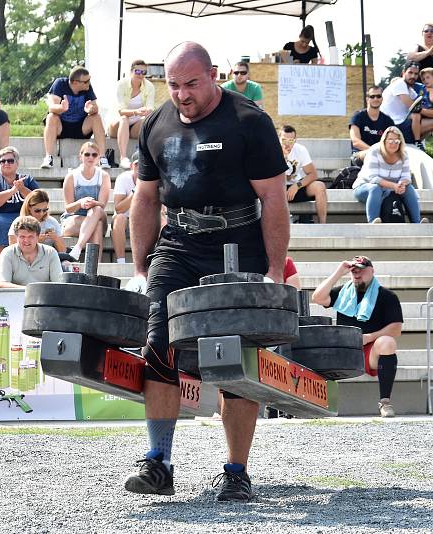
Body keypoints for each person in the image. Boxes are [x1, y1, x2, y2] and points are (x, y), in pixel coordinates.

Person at [125, 42, 290, 502]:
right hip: (177, 244)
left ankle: (236, 471)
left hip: (237, 240)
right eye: (174, 85)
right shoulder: (156, 124)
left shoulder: (249, 122)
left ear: (213, 75)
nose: (183, 95)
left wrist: (274, 270)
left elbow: (274, 199)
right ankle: (158, 463)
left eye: (192, 84)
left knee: (233, 355)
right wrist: (142, 267)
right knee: (158, 346)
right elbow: (145, 198)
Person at [311, 256, 403, 418]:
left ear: (372, 271)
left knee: (387, 342)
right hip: (343, 348)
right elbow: (317, 298)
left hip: (369, 351)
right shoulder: (343, 292)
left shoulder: (387, 296)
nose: (357, 274)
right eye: (354, 271)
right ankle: (314, 403)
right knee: (312, 343)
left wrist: (369, 337)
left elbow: (396, 329)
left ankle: (385, 402)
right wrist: (339, 272)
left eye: (361, 270)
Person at [351, 126, 427, 224]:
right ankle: (373, 222)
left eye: (397, 141)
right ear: (384, 141)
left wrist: (402, 184)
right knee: (375, 188)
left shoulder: (404, 154)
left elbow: (406, 176)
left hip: (391, 189)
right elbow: (373, 178)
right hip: (365, 187)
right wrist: (394, 186)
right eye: (390, 140)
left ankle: (417, 222)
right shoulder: (375, 151)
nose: (393, 143)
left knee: (408, 188)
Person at [41, 66, 110, 169]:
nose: (88, 83)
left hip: (80, 127)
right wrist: (61, 108)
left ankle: (102, 158)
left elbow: (95, 107)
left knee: (96, 117)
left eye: (89, 80)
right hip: (61, 127)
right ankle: (48, 158)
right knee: (51, 117)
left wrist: (91, 109)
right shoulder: (60, 84)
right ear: (75, 82)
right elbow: (51, 107)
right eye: (86, 81)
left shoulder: (87, 87)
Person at [0, 146, 40, 259]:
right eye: (2, 161)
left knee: (35, 223)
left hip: (22, 217)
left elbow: (40, 202)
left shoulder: (27, 180)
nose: (6, 163)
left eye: (10, 160)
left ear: (17, 163)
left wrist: (22, 189)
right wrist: (12, 191)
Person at [62, 141, 112, 261]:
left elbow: (102, 205)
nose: (90, 157)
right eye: (87, 154)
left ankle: (78, 247)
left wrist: (92, 203)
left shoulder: (103, 176)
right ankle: (95, 266)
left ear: (99, 158)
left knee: (97, 210)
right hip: (75, 218)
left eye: (94, 155)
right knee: (97, 225)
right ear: (81, 156)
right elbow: (68, 208)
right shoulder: (72, 176)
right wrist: (80, 202)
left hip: (96, 214)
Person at [109, 60, 155, 169]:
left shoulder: (149, 86)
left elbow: (150, 107)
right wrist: (136, 112)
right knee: (124, 118)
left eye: (144, 72)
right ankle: (123, 158)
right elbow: (121, 111)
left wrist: (147, 111)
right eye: (138, 71)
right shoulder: (121, 84)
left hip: (135, 125)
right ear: (131, 72)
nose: (140, 75)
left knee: (148, 120)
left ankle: (147, 157)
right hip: (117, 124)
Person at [279, 125, 327, 224]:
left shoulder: (300, 150)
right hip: (278, 189)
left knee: (320, 186)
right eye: (284, 140)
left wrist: (296, 186)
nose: (287, 144)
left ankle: (323, 226)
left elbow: (313, 174)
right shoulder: (272, 150)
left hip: (296, 187)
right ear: (278, 139)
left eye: (291, 141)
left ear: (295, 140)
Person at [0, 216, 63, 288]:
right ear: (16, 237)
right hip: (16, 297)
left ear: (38, 237)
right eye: (22, 237)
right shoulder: (7, 253)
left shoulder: (50, 252)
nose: (26, 241)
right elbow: (2, 284)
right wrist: (30, 290)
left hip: (44, 297)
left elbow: (59, 284)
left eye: (30, 236)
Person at [380, 62, 431, 148]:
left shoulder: (410, 90)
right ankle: (417, 142)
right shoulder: (399, 84)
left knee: (421, 116)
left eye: (415, 74)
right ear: (403, 73)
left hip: (402, 122)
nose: (413, 76)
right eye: (410, 72)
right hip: (392, 125)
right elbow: (414, 107)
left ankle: (417, 142)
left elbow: (421, 103)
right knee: (417, 114)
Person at [8, 190, 67, 254]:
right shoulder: (19, 222)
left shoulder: (52, 222)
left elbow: (63, 251)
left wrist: (56, 239)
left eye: (45, 210)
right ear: (28, 208)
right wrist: (35, 242)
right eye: (37, 210)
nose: (41, 214)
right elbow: (13, 251)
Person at [349, 86, 395, 163]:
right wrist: (375, 151)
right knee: (371, 155)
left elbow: (391, 140)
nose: (375, 99)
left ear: (382, 99)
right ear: (367, 99)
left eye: (378, 96)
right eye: (372, 96)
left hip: (381, 155)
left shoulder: (388, 121)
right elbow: (356, 141)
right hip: (360, 154)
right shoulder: (358, 117)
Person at [111, 151, 139, 263]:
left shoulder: (152, 179)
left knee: (160, 219)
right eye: (137, 165)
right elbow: (118, 209)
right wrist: (135, 192)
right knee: (120, 218)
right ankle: (121, 261)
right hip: (125, 222)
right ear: (132, 166)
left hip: (144, 221)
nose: (141, 168)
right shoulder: (123, 178)